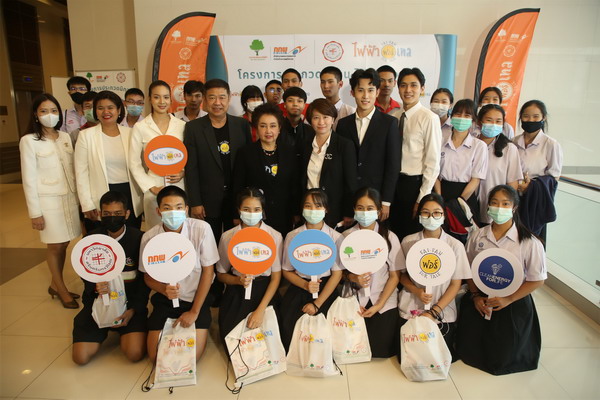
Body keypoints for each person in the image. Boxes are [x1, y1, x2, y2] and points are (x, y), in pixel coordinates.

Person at [456, 185, 546, 375]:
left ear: (514, 207)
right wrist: (475, 296)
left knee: (505, 354)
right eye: (495, 203)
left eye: (505, 204)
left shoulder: (530, 242)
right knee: (470, 345)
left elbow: (537, 280)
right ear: (488, 206)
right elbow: (468, 268)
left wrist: (508, 299)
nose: (499, 208)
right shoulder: (477, 235)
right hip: (481, 296)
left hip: (513, 299)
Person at [140, 186, 219, 362]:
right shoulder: (149, 238)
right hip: (166, 300)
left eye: (178, 207)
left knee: (190, 358)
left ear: (186, 209)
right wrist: (163, 289)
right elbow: (147, 277)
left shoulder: (201, 229)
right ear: (158, 211)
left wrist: (194, 311)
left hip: (197, 298)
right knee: (155, 357)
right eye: (167, 208)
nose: (173, 212)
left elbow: (208, 271)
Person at [72, 191, 149, 365]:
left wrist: (133, 310)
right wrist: (95, 287)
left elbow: (144, 282)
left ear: (127, 214)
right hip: (98, 303)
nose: (112, 218)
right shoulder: (91, 239)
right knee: (80, 358)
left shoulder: (139, 239)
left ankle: (126, 330)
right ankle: (101, 327)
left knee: (134, 353)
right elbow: (84, 273)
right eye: (107, 214)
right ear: (100, 214)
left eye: (117, 213)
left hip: (129, 305)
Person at [20, 93, 81, 309]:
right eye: (44, 111)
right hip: (48, 202)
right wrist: (35, 212)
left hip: (69, 199)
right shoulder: (29, 141)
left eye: (53, 110)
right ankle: (61, 289)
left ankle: (55, 284)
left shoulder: (64, 137)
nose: (49, 115)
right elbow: (28, 179)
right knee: (55, 245)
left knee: (64, 242)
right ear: (35, 115)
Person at [396, 193, 471, 357]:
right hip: (412, 305)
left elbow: (456, 284)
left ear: (444, 215)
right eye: (425, 212)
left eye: (437, 212)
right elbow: (402, 275)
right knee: (410, 358)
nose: (431, 217)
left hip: (442, 311)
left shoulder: (455, 245)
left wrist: (434, 311)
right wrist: (417, 291)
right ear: (419, 215)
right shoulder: (408, 241)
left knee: (437, 357)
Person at [184, 79, 252, 242]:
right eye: (212, 97)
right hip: (207, 201)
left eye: (222, 97)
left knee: (235, 243)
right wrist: (195, 202)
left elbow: (249, 163)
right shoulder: (193, 128)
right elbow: (191, 168)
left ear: (229, 98)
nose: (217, 103)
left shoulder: (241, 125)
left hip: (237, 199)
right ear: (205, 100)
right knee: (207, 244)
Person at [338, 187, 401, 358]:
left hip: (383, 301)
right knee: (353, 350)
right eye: (360, 208)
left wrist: (379, 304)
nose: (365, 213)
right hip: (354, 299)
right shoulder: (344, 237)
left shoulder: (390, 237)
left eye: (370, 208)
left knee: (380, 351)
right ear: (354, 209)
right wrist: (352, 277)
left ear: (379, 211)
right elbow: (338, 273)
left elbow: (395, 276)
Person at [279, 189, 343, 350]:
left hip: (326, 289)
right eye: (308, 206)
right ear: (302, 209)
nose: (313, 210)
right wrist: (305, 285)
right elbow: (286, 270)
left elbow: (337, 274)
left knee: (327, 337)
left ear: (326, 209)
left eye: (318, 206)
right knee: (290, 332)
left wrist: (317, 304)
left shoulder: (335, 237)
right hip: (300, 285)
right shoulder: (292, 236)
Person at [216, 187, 282, 343]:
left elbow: (276, 277)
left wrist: (260, 310)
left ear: (262, 211)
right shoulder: (228, 237)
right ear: (239, 210)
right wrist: (237, 280)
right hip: (237, 290)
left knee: (269, 342)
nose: (251, 213)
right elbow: (221, 274)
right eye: (246, 209)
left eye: (256, 209)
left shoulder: (274, 236)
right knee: (233, 341)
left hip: (264, 291)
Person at [336, 68, 401, 222]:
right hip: (350, 199)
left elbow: (393, 165)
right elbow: (340, 167)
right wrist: (345, 205)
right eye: (360, 90)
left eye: (370, 90)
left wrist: (386, 201)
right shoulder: (343, 125)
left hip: (376, 199)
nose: (365, 96)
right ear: (352, 93)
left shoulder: (389, 123)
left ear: (377, 92)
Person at [74, 90, 143, 230]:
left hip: (129, 194)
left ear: (119, 110)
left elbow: (141, 166)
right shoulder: (86, 136)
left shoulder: (131, 133)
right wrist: (86, 204)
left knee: (130, 235)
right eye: (100, 108)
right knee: (102, 237)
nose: (106, 112)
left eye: (110, 107)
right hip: (101, 194)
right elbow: (81, 173)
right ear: (95, 111)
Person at [391, 67, 442, 240]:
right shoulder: (395, 116)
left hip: (414, 185)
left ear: (422, 89)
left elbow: (433, 162)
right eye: (403, 85)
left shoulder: (429, 118)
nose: (408, 90)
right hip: (395, 185)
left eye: (413, 85)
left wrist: (422, 197)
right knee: (394, 234)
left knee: (412, 236)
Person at [233, 103, 299, 236]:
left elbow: (295, 185)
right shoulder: (245, 153)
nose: (268, 131)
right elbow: (237, 186)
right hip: (254, 217)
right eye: (263, 126)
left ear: (279, 128)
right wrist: (236, 214)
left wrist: (296, 212)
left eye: (273, 126)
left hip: (283, 215)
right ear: (256, 128)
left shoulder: (290, 152)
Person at [129, 80, 186, 229]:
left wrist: (183, 172)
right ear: (149, 99)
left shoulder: (181, 126)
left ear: (170, 99)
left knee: (180, 231)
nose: (162, 102)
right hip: (154, 187)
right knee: (155, 231)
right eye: (156, 97)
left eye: (166, 97)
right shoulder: (140, 127)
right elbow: (134, 163)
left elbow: (190, 157)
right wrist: (150, 186)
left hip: (178, 185)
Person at [301, 98, 357, 228]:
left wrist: (349, 212)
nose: (321, 122)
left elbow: (351, 182)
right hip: (309, 210)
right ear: (310, 120)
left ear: (333, 119)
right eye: (316, 117)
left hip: (333, 209)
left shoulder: (344, 145)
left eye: (325, 117)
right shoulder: (305, 145)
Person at [513, 100, 563, 242]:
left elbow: (554, 177)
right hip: (513, 197)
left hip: (535, 201)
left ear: (543, 118)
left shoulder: (551, 144)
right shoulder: (513, 142)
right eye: (526, 116)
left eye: (535, 117)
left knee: (531, 241)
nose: (530, 120)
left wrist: (531, 186)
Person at [434, 99, 488, 225]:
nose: (461, 118)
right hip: (441, 191)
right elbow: (434, 173)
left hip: (466, 195)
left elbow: (476, 179)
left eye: (467, 115)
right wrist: (439, 198)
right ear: (451, 116)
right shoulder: (440, 141)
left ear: (473, 120)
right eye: (458, 114)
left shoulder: (479, 146)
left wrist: (460, 203)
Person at [476, 104, 523, 225]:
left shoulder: (509, 149)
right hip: (468, 209)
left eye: (498, 121)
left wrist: (503, 210)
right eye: (489, 120)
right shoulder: (471, 144)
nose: (493, 124)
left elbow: (512, 186)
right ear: (479, 122)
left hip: (494, 213)